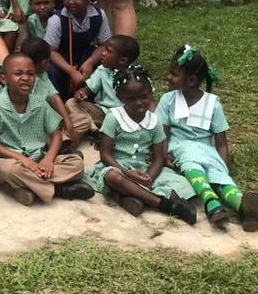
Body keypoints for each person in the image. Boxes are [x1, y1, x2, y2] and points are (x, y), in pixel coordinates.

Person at [158, 45, 258, 231]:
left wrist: (223, 167)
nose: (169, 77)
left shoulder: (213, 104)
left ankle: (242, 207)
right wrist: (163, 155)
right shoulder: (168, 100)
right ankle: (213, 201)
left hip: (207, 152)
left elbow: (221, 142)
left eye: (174, 74)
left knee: (219, 177)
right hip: (180, 149)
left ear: (191, 80)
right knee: (192, 164)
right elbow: (162, 134)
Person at [83, 65, 197, 224]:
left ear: (151, 93)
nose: (139, 102)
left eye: (143, 96)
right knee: (113, 177)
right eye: (131, 98)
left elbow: (159, 157)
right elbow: (105, 155)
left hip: (145, 168)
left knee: (181, 183)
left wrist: (149, 177)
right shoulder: (113, 118)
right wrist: (126, 172)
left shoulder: (155, 121)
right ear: (120, 97)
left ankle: (132, 197)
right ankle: (164, 205)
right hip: (118, 167)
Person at [0, 53, 94, 206]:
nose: (25, 78)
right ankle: (60, 190)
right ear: (4, 79)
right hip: (7, 161)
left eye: (31, 74)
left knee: (76, 163)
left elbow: (56, 135)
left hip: (38, 157)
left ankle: (26, 188)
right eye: (18, 74)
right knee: (9, 171)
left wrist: (48, 159)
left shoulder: (40, 104)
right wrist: (22, 159)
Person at [45, 0, 112, 98]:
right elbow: (51, 51)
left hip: (87, 56)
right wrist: (71, 71)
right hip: (62, 59)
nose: (70, 2)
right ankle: (59, 101)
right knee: (51, 71)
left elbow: (104, 45)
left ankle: (97, 99)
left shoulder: (99, 15)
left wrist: (90, 62)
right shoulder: (57, 19)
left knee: (105, 66)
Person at [67, 34, 139, 136]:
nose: (103, 53)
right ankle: (95, 130)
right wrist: (81, 92)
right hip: (102, 113)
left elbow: (145, 100)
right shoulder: (102, 70)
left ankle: (93, 129)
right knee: (71, 103)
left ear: (122, 60)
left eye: (108, 51)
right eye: (104, 50)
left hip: (123, 116)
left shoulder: (135, 75)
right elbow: (89, 89)